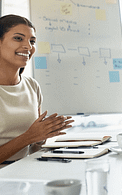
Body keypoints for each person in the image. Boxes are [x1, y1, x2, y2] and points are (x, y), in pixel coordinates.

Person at [0, 14, 73, 166]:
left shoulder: (32, 86)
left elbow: (32, 149)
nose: (28, 46)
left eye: (32, 41)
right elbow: (28, 138)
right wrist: (29, 137)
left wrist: (41, 137)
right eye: (18, 38)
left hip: (26, 171)